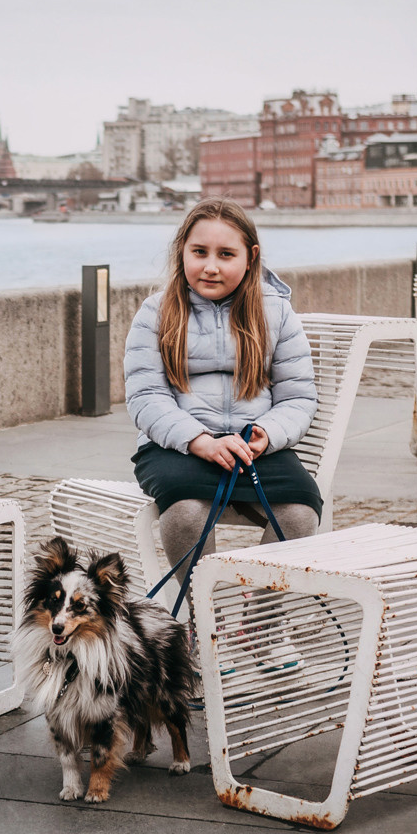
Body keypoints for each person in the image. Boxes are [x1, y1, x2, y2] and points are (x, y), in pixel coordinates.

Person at [124, 198, 323, 596]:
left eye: (225, 254)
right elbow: (146, 396)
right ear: (182, 252)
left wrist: (266, 433)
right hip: (178, 446)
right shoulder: (155, 312)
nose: (210, 266)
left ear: (250, 258)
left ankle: (261, 626)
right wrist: (199, 441)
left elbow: (298, 397)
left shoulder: (277, 314)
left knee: (301, 513)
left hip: (254, 448)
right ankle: (205, 618)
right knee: (184, 514)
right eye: (199, 252)